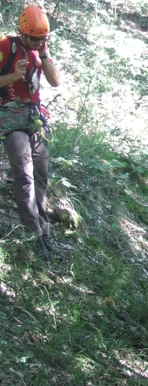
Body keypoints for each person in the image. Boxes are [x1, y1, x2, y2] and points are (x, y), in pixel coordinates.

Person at [0, 5, 61, 257]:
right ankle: (33, 233)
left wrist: (44, 54)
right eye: (35, 38)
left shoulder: (40, 50)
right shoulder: (5, 45)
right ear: (22, 33)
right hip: (9, 115)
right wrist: (13, 76)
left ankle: (45, 230)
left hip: (33, 116)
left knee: (42, 173)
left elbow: (55, 81)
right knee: (24, 174)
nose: (38, 42)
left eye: (43, 38)